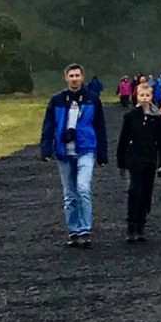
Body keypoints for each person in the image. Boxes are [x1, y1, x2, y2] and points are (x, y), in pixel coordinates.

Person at [39, 64, 109, 247]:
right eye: (71, 75)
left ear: (83, 77)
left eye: (77, 75)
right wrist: (46, 149)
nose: (75, 78)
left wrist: (102, 154)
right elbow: (49, 125)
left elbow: (100, 127)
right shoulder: (57, 100)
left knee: (83, 188)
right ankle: (74, 230)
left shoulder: (92, 100)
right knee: (70, 194)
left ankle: (85, 228)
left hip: (86, 148)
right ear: (66, 78)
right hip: (64, 151)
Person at [115, 80, 161, 243]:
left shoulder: (157, 118)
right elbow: (123, 139)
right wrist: (121, 161)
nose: (145, 98)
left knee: (146, 194)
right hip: (134, 159)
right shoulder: (130, 116)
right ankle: (131, 225)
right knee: (135, 191)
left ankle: (141, 225)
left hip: (150, 160)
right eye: (142, 95)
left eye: (147, 95)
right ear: (137, 97)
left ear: (152, 97)